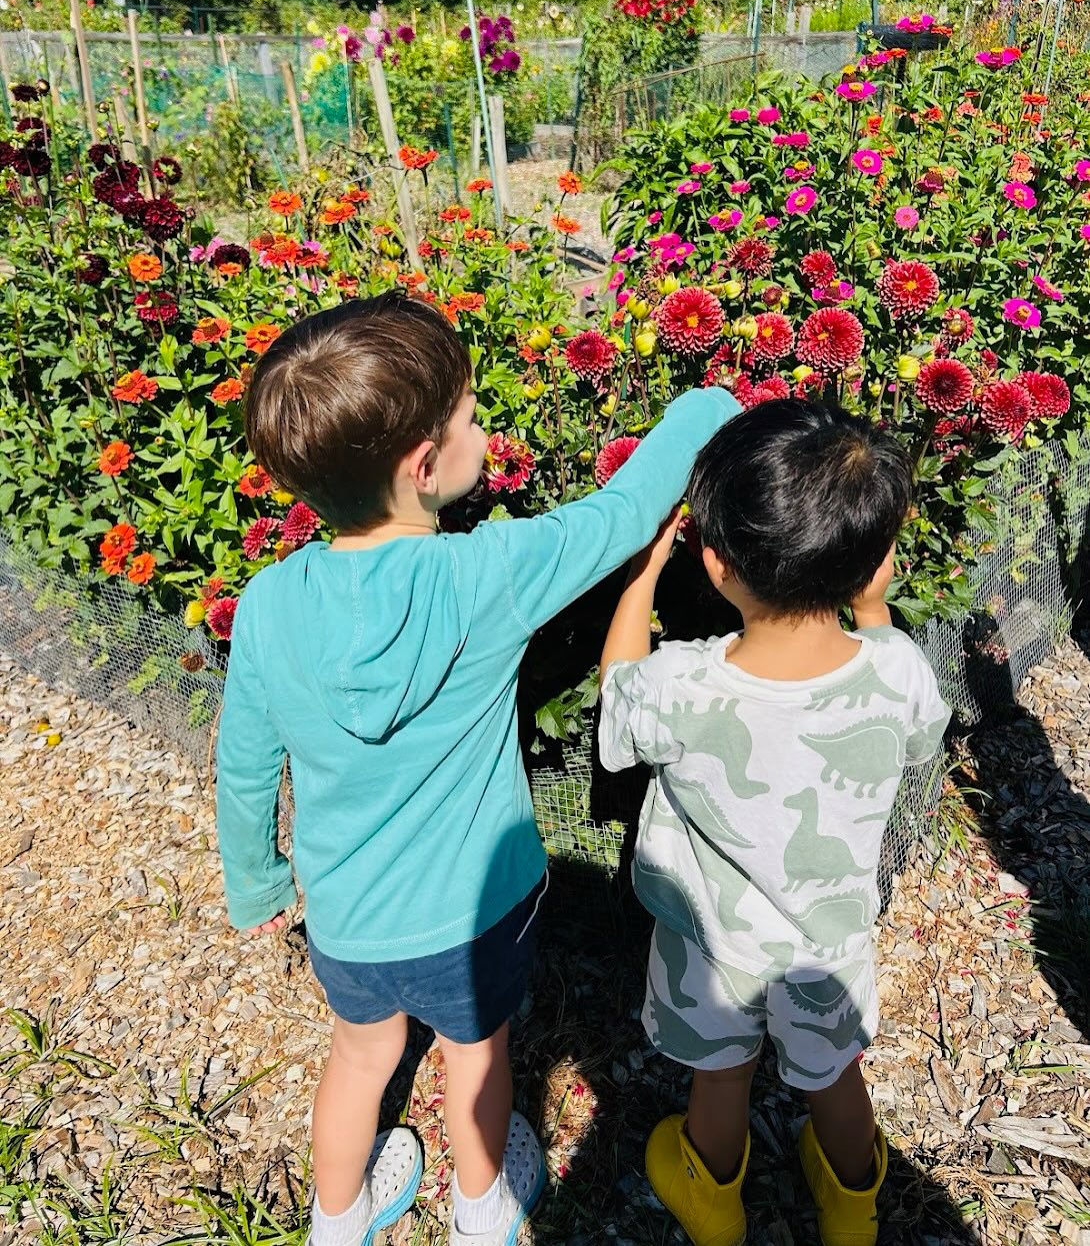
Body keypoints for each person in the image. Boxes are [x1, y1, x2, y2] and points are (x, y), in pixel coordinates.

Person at [215, 290, 740, 1246]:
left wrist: (255, 879)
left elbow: (245, 763)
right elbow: (621, 513)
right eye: (469, 417)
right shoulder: (483, 574)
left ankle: (336, 1219)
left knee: (361, 1056)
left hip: (345, 912)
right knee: (477, 1056)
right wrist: (705, 408)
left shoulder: (265, 605)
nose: (480, 427)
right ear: (425, 466)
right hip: (472, 914)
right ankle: (481, 1201)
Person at [598, 398, 951, 1246]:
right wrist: (874, 614)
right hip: (829, 948)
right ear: (874, 562)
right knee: (836, 1076)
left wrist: (640, 577)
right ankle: (853, 1206)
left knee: (720, 1074)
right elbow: (922, 733)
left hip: (713, 949)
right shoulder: (896, 669)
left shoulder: (682, 685)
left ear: (716, 566)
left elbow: (616, 707)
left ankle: (712, 1202)